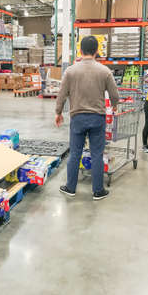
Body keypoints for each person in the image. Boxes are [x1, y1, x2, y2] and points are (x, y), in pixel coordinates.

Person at [55, 36, 119, 201]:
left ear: (80, 51)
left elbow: (61, 94)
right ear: (97, 51)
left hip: (77, 117)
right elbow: (114, 94)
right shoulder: (105, 71)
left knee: (75, 153)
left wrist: (58, 112)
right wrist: (115, 105)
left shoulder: (70, 71)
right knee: (97, 154)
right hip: (98, 118)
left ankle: (70, 187)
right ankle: (98, 191)